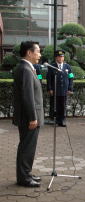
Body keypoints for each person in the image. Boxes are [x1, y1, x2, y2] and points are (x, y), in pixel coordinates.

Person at [13, 41, 44, 187]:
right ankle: (24, 178)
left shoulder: (27, 68)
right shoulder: (25, 69)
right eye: (37, 51)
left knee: (27, 147)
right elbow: (27, 96)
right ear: (29, 53)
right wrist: (33, 117)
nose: (40, 54)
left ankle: (26, 173)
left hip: (28, 117)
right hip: (28, 118)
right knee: (26, 147)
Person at [47, 50, 74, 127]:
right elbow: (49, 78)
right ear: (56, 58)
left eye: (62, 56)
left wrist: (70, 88)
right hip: (55, 90)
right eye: (59, 57)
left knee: (63, 105)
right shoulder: (52, 66)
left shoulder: (68, 67)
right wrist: (49, 89)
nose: (61, 58)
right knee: (55, 106)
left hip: (64, 90)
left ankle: (62, 121)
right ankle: (55, 120)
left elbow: (71, 78)